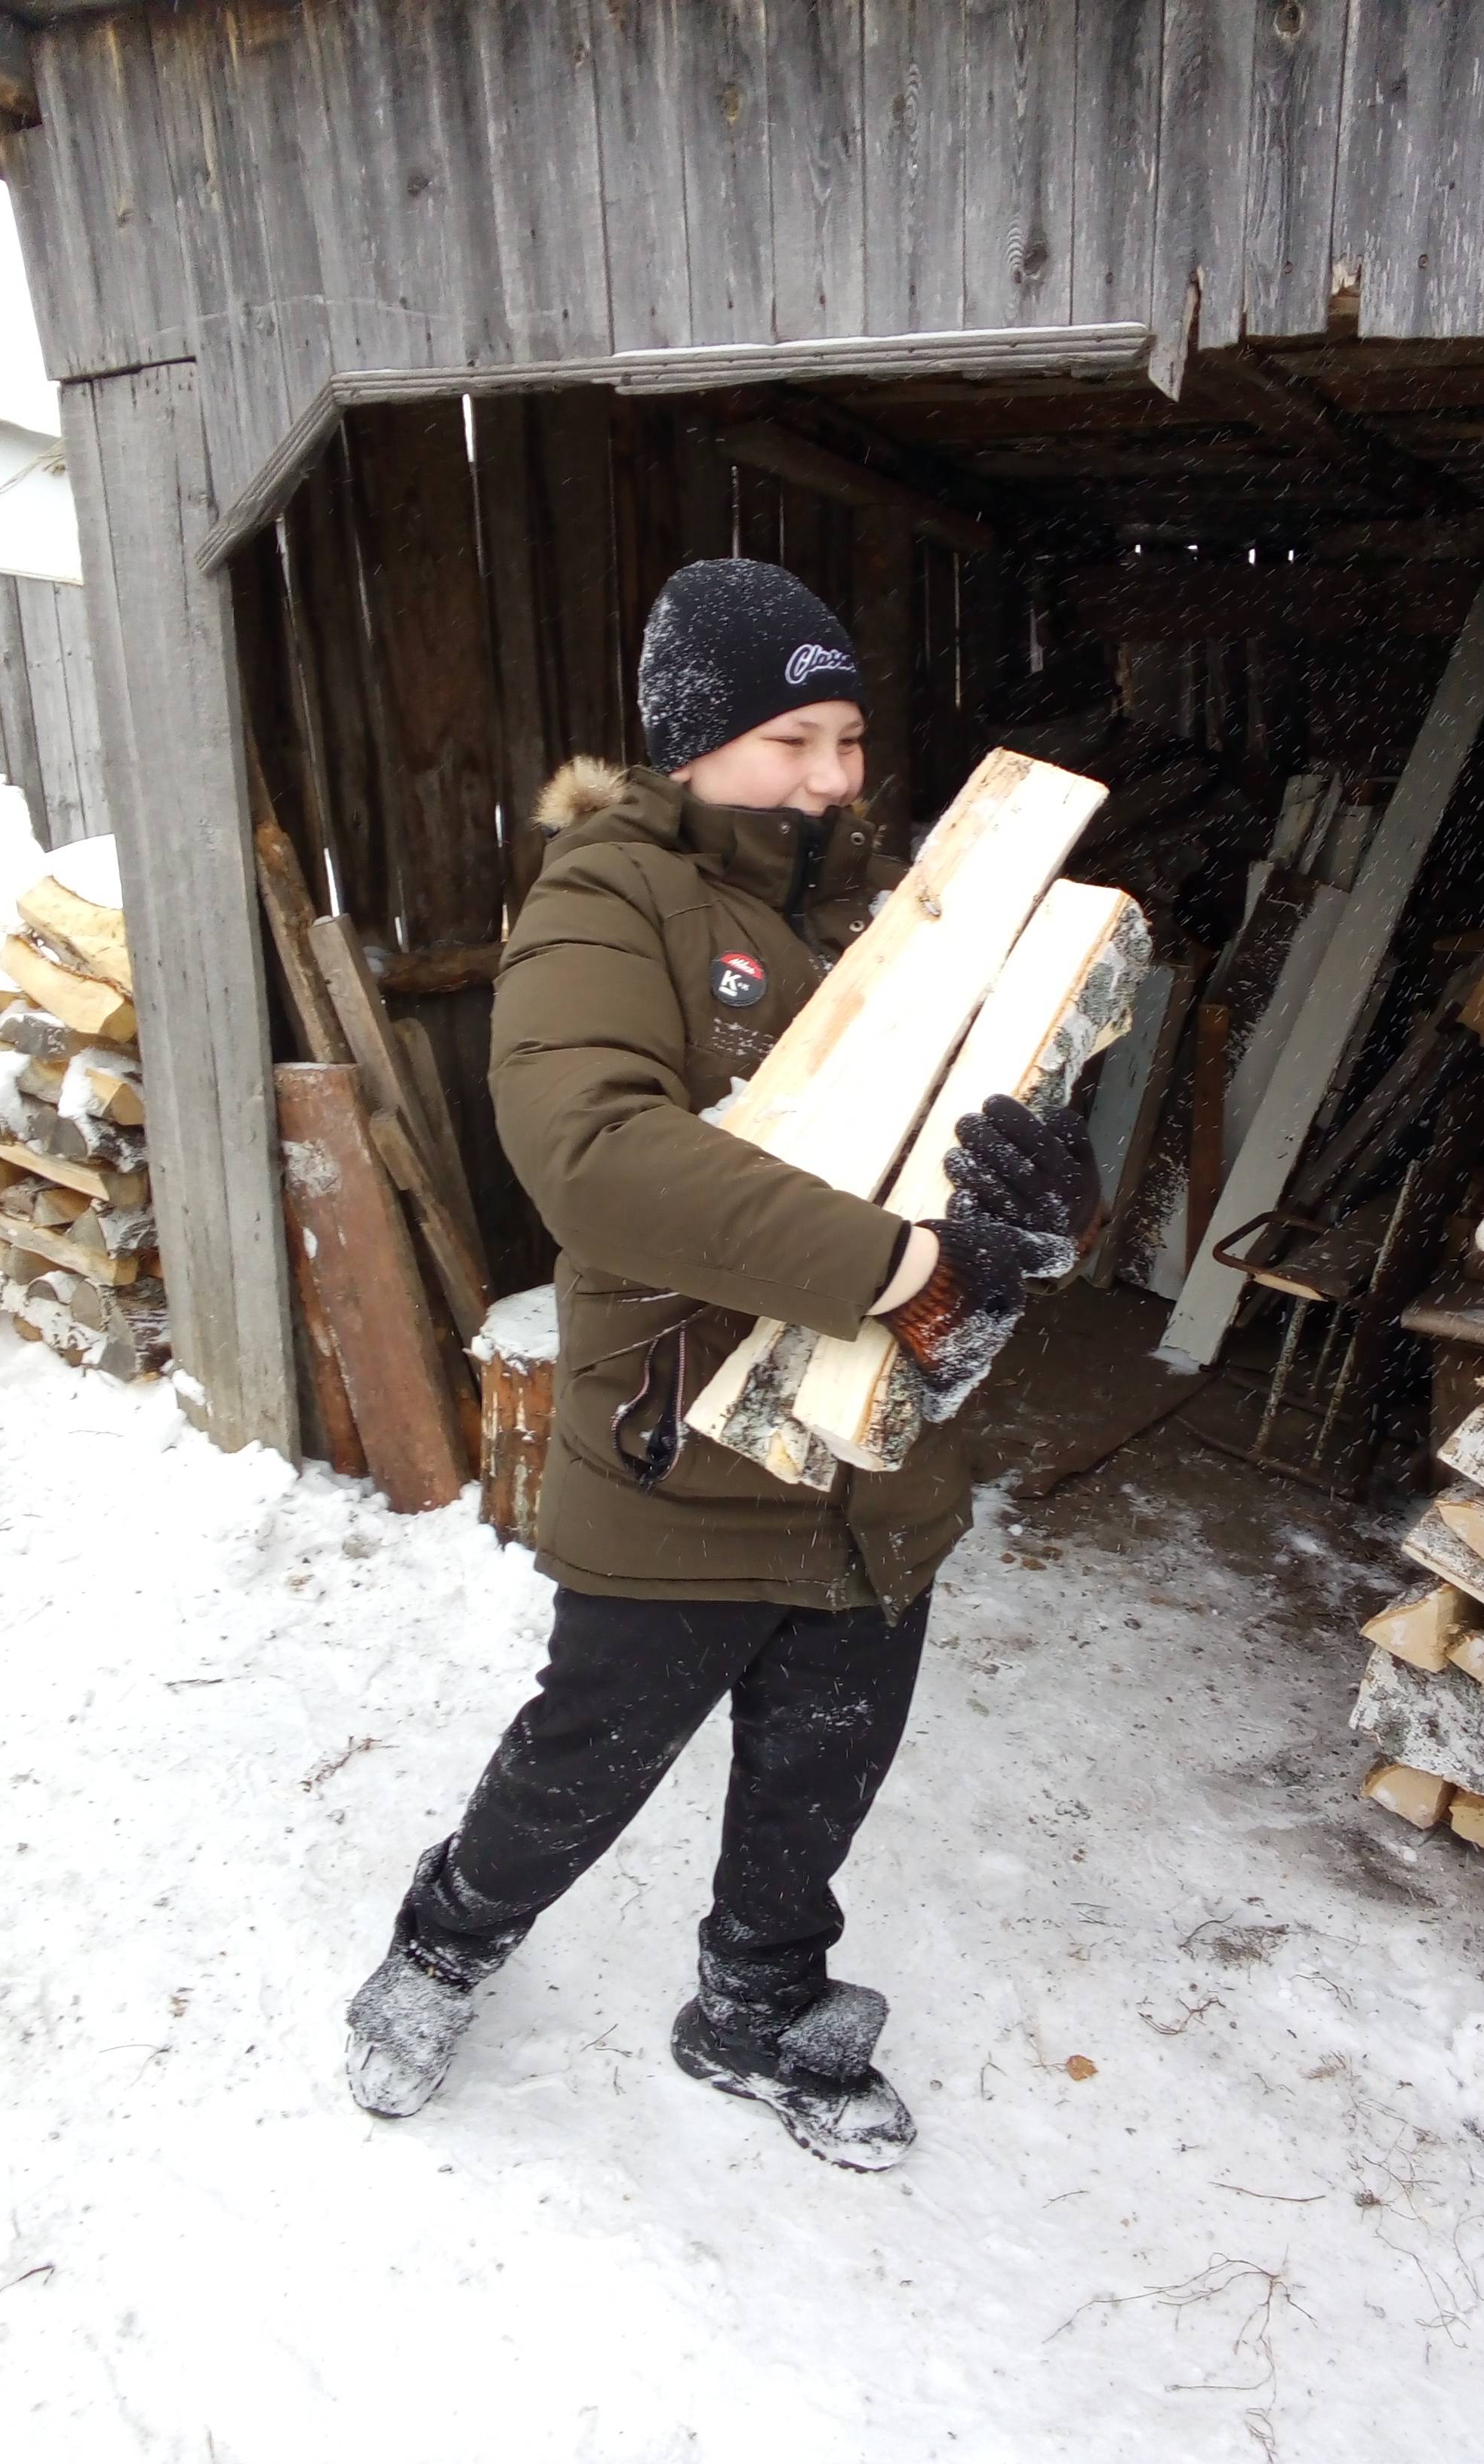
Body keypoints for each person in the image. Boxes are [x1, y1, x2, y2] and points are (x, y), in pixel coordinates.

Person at [346, 558, 1097, 2170]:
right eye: (794, 741)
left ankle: (753, 2004)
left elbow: (946, 1131)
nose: (833, 776)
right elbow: (596, 1154)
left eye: (846, 739)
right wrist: (907, 1265)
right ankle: (447, 1942)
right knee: (581, 1763)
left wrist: (1029, 1208)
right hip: (682, 1448)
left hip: (875, 1457)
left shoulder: (878, 911)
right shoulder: (608, 900)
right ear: (693, 740)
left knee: (821, 1773)